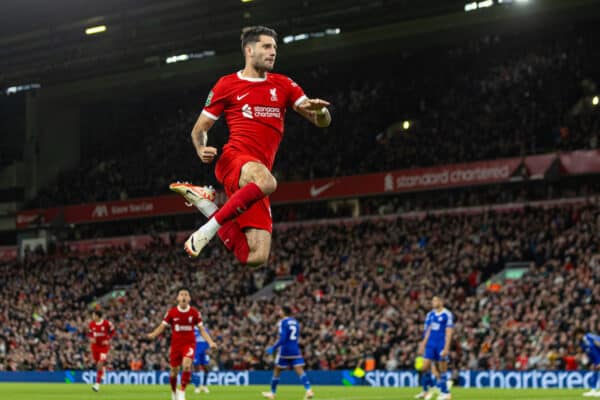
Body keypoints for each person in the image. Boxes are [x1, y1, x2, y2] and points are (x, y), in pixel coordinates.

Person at [170, 25, 331, 266]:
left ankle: (205, 204)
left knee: (255, 257)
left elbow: (321, 122)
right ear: (249, 50)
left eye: (275, 47)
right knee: (268, 181)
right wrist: (200, 149)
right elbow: (199, 129)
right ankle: (207, 230)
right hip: (234, 160)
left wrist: (323, 112)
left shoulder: (284, 85)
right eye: (266, 46)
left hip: (254, 180)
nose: (273, 52)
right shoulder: (227, 85)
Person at [147, 288, 217, 400]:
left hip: (189, 344)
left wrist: (211, 342)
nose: (184, 296)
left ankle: (182, 391)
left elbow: (202, 330)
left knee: (187, 365)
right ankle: (174, 392)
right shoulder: (171, 312)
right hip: (176, 345)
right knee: (174, 371)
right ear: (178, 298)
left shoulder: (195, 313)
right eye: (181, 295)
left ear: (189, 298)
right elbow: (162, 326)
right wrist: (154, 334)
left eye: (186, 295)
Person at [262, 305, 313, 400]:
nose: (278, 312)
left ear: (284, 312)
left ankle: (272, 393)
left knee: (277, 370)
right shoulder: (296, 322)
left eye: (280, 310)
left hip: (285, 350)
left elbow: (283, 338)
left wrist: (273, 347)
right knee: (300, 370)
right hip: (295, 349)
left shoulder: (282, 322)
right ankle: (309, 390)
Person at [416, 296, 454, 400]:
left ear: (441, 301)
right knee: (424, 367)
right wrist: (422, 345)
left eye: (436, 300)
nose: (433, 302)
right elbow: (427, 331)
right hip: (430, 345)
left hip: (441, 343)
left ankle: (445, 393)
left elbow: (449, 332)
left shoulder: (447, 314)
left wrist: (446, 348)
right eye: (432, 300)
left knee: (442, 369)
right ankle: (426, 390)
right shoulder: (430, 314)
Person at [87, 309, 115, 392]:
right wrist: (91, 338)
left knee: (100, 363)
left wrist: (108, 339)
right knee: (98, 364)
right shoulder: (91, 324)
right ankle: (103, 369)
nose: (92, 316)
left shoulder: (107, 323)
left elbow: (113, 331)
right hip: (94, 347)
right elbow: (90, 333)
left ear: (98, 316)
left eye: (94, 315)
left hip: (103, 347)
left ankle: (97, 385)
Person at [575, 328, 600, 397]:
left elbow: (598, 343)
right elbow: (588, 353)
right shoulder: (582, 343)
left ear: (580, 333)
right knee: (595, 372)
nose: (577, 337)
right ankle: (593, 390)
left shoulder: (589, 336)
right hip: (596, 360)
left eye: (577, 335)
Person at [192, 325, 211, 394]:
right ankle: (197, 387)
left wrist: (208, 348)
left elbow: (208, 339)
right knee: (196, 368)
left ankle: (204, 386)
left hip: (204, 352)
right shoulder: (192, 329)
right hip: (196, 352)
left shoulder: (205, 329)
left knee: (206, 368)